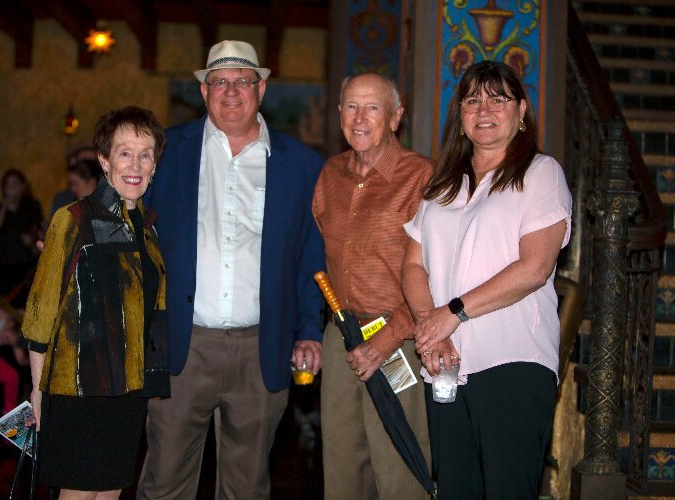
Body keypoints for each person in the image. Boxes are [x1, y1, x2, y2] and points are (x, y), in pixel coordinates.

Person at [137, 40, 326, 500]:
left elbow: (310, 256)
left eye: (243, 81)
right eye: (219, 81)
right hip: (182, 345)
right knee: (164, 481)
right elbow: (122, 209)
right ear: (204, 92)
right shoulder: (165, 152)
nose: (231, 91)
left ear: (260, 90)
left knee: (246, 487)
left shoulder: (302, 164)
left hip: (262, 347)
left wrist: (308, 330)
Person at [401, 61, 572, 498]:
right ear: (460, 114)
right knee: (455, 488)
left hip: (512, 359)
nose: (485, 109)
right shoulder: (441, 185)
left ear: (521, 111)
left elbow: (534, 268)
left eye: (499, 99)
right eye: (473, 99)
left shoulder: (540, 173)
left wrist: (452, 313)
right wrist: (431, 328)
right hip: (445, 363)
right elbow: (413, 266)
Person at [22, 106, 167, 497]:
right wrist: (37, 395)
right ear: (104, 160)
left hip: (128, 392)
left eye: (146, 154)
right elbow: (40, 314)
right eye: (124, 152)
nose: (135, 164)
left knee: (111, 493)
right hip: (78, 391)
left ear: (155, 165)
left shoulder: (148, 233)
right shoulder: (73, 219)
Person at [312, 73, 434, 499]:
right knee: (342, 468)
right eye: (350, 106)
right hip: (340, 335)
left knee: (399, 465)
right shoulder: (329, 175)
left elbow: (439, 272)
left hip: (399, 337)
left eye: (373, 107)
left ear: (396, 117)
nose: (359, 118)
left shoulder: (422, 177)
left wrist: (389, 337)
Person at [0, 169, 43, 305]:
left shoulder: (31, 206)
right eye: (8, 184)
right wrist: (5, 205)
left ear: (22, 186)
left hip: (25, 264)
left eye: (14, 183)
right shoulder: (0, 208)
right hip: (4, 263)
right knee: (4, 303)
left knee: (23, 304)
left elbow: (39, 228)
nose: (11, 187)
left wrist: (31, 237)